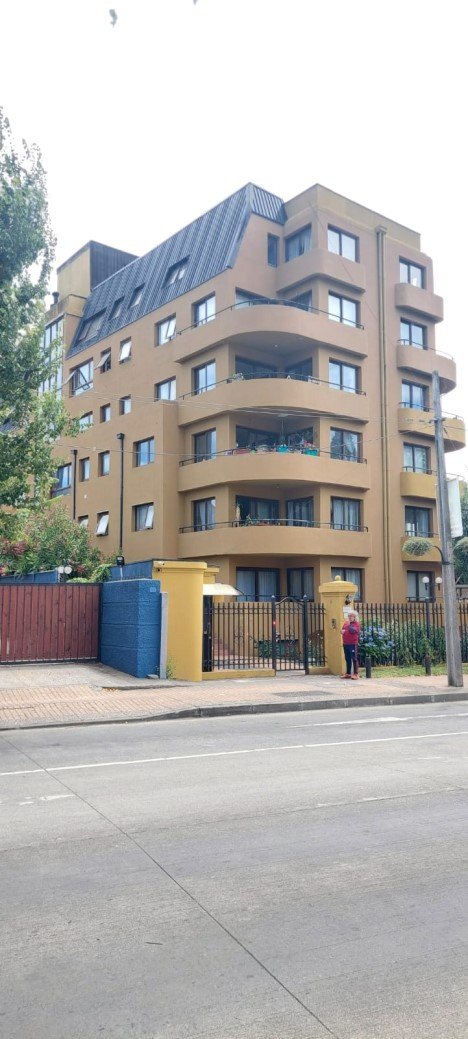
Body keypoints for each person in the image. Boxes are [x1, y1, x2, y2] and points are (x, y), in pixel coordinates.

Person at [341, 610, 360, 679]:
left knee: (354, 658)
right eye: (349, 616)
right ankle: (348, 673)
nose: (349, 617)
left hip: (353, 643)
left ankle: (356, 674)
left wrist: (349, 625)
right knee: (347, 658)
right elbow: (342, 630)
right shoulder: (346, 623)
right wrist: (341, 631)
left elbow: (353, 631)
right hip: (345, 643)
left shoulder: (356, 624)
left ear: (355, 617)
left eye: (351, 616)